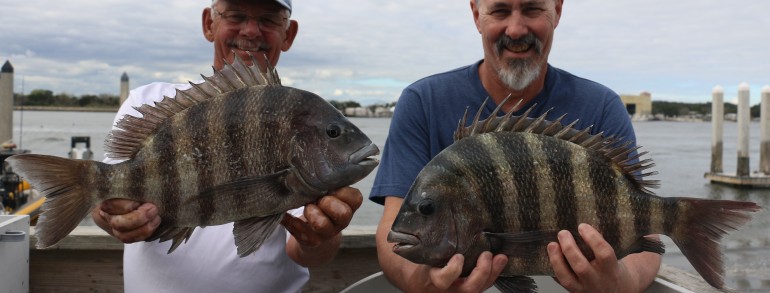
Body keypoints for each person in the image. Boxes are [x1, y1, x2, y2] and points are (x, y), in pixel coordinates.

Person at [370, 0, 662, 292]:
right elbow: (394, 235)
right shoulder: (423, 102)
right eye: (500, 10)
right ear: (476, 15)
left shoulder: (602, 106)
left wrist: (619, 283)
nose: (516, 29)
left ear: (557, 11)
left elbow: (648, 232)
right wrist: (423, 283)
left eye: (533, 9)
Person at [91, 1, 363, 292]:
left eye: (269, 19)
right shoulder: (147, 102)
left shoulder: (302, 119)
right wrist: (110, 215)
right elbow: (106, 200)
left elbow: (307, 249)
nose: (250, 31)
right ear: (209, 23)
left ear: (288, 34)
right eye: (236, 16)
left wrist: (320, 237)